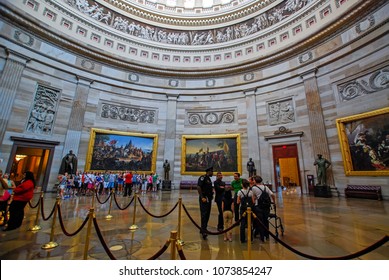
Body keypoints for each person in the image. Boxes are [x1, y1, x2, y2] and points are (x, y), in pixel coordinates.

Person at [251, 176, 275, 242]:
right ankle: (267, 235)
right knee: (266, 220)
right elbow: (272, 195)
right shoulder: (265, 187)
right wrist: (274, 202)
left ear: (255, 181)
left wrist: (253, 202)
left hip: (258, 207)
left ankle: (262, 237)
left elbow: (253, 198)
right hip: (266, 207)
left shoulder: (254, 188)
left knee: (260, 221)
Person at [197, 166, 214, 240]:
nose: (212, 173)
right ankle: (204, 231)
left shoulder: (209, 179)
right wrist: (202, 197)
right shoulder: (202, 177)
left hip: (208, 198)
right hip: (204, 198)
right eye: (212, 171)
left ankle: (204, 228)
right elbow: (198, 187)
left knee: (207, 214)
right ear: (208, 171)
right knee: (204, 214)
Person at [237, 178, 254, 243]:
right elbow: (253, 201)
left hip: (243, 209)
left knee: (242, 224)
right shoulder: (251, 192)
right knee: (250, 224)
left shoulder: (239, 192)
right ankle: (251, 238)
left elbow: (238, 202)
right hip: (249, 209)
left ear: (242, 185)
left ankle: (242, 239)